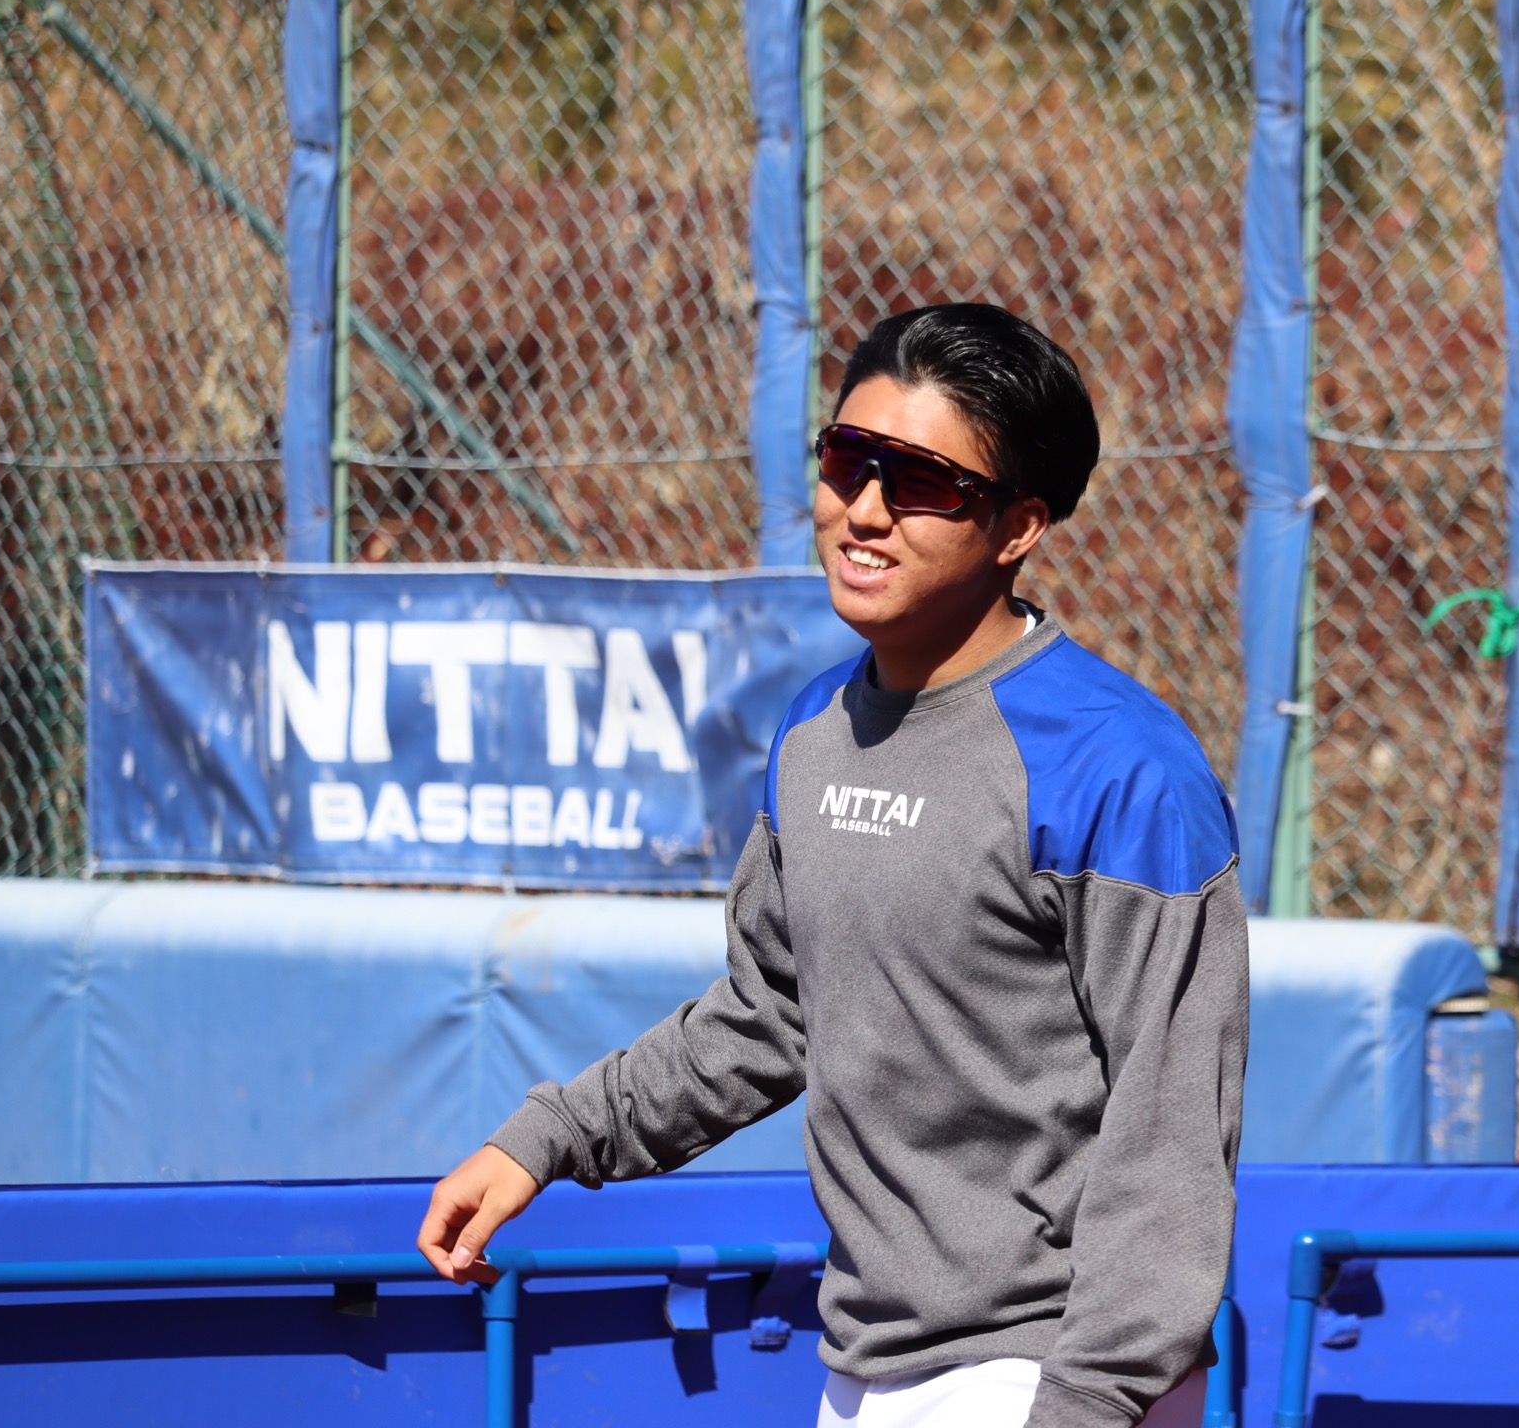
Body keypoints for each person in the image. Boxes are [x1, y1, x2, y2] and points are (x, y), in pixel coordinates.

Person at [417, 303, 1249, 1428]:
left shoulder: (1122, 767)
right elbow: (771, 1015)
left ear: (1018, 527)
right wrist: (549, 1140)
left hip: (1051, 1376)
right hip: (863, 1367)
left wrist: (1089, 1401)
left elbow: (1171, 1129)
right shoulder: (814, 731)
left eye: (922, 483)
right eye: (849, 460)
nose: (863, 510)